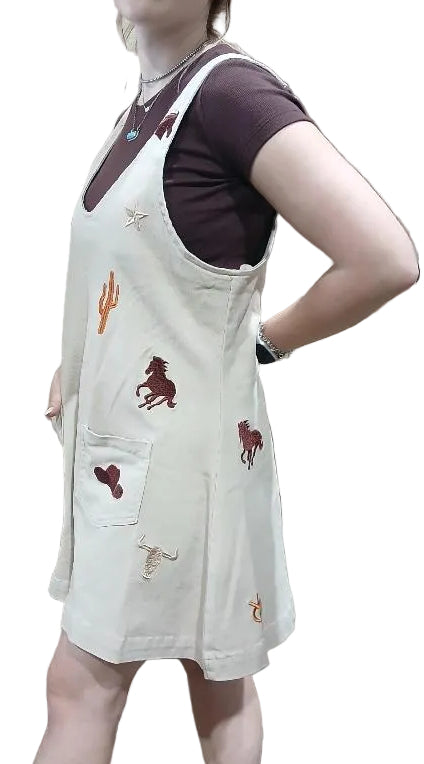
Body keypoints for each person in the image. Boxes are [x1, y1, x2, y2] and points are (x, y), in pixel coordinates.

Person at [36, 1, 419, 762]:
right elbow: (142, 280)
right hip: (136, 457)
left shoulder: (230, 96)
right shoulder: (150, 104)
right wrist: (78, 363)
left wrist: (269, 341)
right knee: (219, 675)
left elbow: (384, 258)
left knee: (82, 686)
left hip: (172, 467)